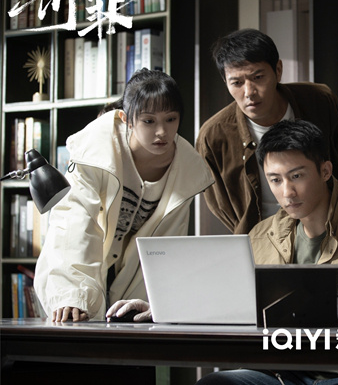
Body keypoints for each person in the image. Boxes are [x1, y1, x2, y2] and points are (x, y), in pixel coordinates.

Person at [110, 119, 338, 385]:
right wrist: (164, 309)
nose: (286, 192)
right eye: (275, 180)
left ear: (325, 171)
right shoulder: (262, 236)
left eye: (297, 176)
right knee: (216, 383)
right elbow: (225, 306)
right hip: (282, 372)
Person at [34, 68, 214, 322]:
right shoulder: (95, 151)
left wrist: (156, 304)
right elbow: (73, 226)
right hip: (83, 270)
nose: (162, 132)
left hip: (132, 282)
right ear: (126, 119)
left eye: (170, 119)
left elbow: (165, 249)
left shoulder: (187, 171)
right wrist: (72, 294)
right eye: (149, 121)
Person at [196, 29, 338, 234]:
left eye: (258, 77)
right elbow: (220, 203)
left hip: (326, 226)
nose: (249, 92)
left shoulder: (319, 100)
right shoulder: (213, 136)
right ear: (225, 81)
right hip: (260, 236)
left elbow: (337, 159)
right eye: (237, 83)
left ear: (278, 70)